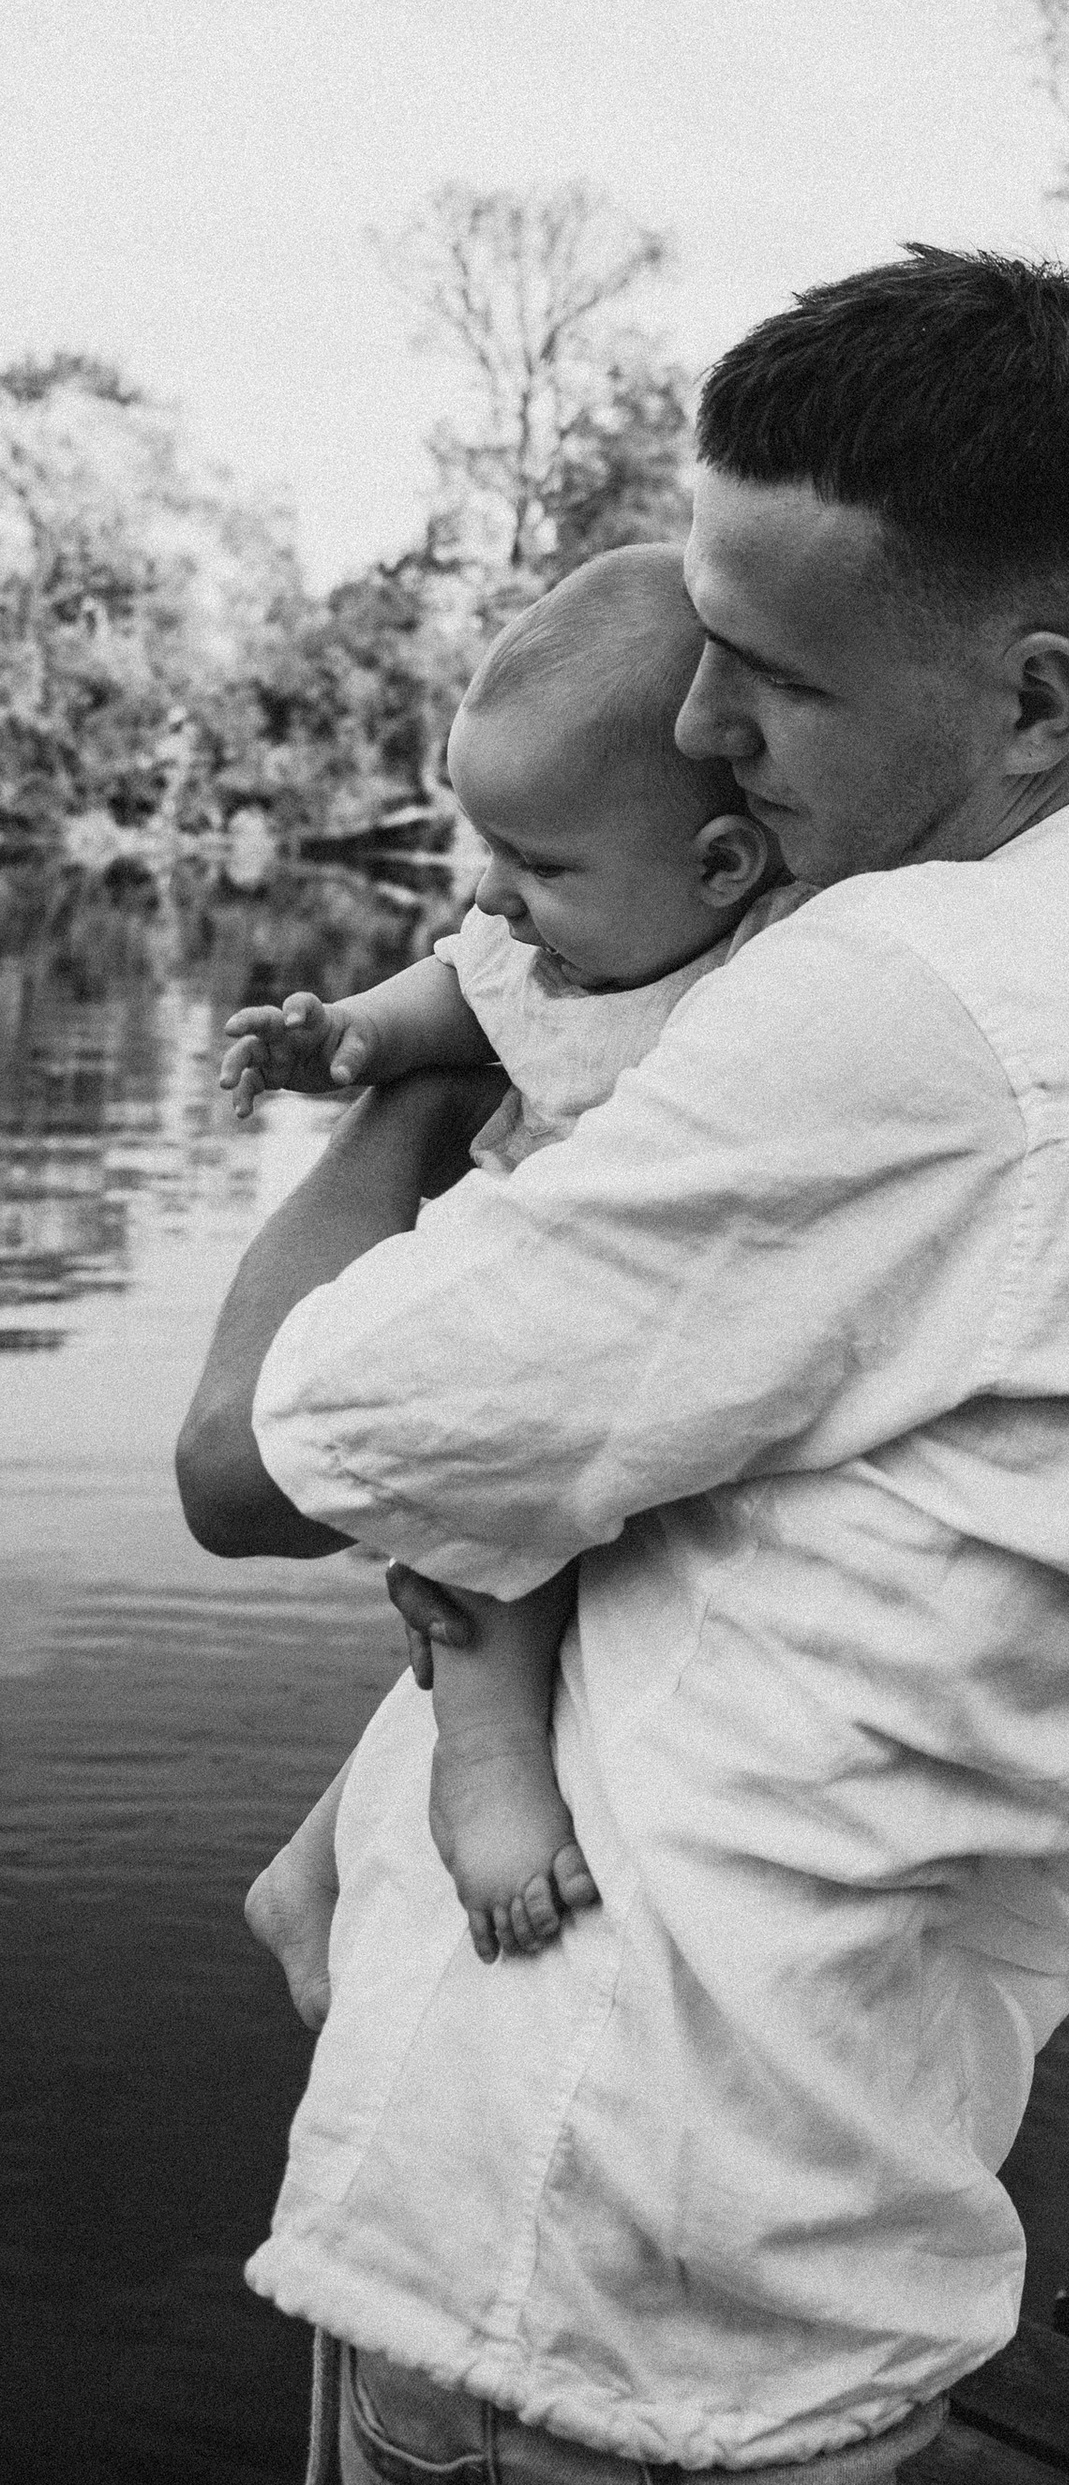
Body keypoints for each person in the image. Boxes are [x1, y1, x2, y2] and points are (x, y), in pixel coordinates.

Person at [175, 249, 1069, 2485]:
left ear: (1031, 699)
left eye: (774, 677)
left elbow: (258, 1455)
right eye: (701, 638)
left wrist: (465, 1037)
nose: (703, 729)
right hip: (778, 2203)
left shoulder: (927, 1003)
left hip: (574, 2263)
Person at [222, 544, 785, 2011]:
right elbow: (442, 994)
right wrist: (341, 1037)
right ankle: (486, 1769)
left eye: (538, 865)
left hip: (635, 1318)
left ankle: (317, 1861)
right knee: (503, 1542)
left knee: (592, 1545)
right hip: (526, 1308)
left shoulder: (768, 978)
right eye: (491, 850)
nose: (495, 898)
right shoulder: (546, 952)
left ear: (720, 868)